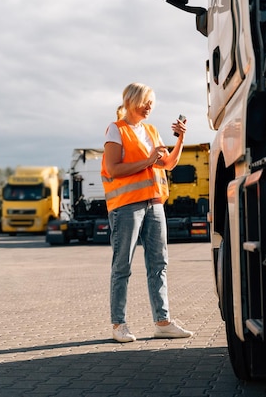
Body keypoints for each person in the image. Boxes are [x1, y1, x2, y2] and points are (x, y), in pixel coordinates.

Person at [101, 82, 193, 343]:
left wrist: (181, 139)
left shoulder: (151, 131)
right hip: (126, 206)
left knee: (159, 263)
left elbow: (169, 164)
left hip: (154, 204)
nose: (149, 106)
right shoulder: (116, 130)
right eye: (145, 101)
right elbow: (114, 169)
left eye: (152, 102)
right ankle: (119, 324)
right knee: (123, 266)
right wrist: (149, 160)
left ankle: (162, 322)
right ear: (131, 101)